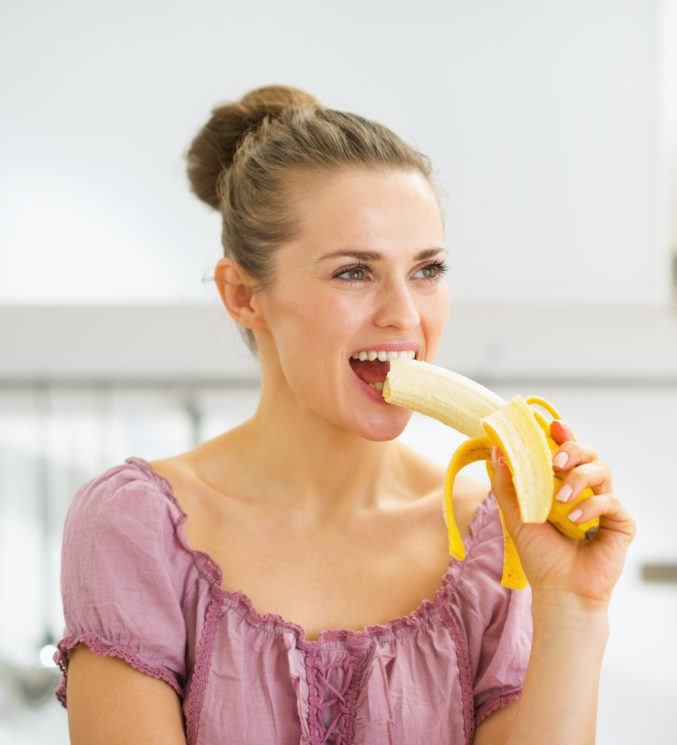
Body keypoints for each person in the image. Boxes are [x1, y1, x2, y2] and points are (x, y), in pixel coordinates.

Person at [55, 85, 635, 745]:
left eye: (427, 269)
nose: (405, 316)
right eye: (354, 272)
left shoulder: (494, 535)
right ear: (242, 294)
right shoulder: (139, 526)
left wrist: (575, 608)